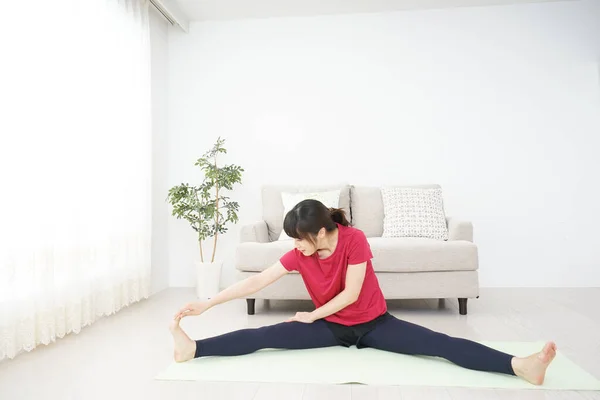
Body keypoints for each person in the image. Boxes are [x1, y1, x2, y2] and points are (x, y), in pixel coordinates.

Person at [170, 199, 556, 386]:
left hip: (374, 324)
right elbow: (256, 281)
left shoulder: (353, 240)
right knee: (263, 336)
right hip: (330, 327)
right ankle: (193, 349)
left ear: (321, 231)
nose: (296, 246)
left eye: (300, 239)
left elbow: (352, 295)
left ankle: (521, 365)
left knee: (440, 343)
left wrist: (311, 315)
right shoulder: (301, 252)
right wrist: (208, 302)